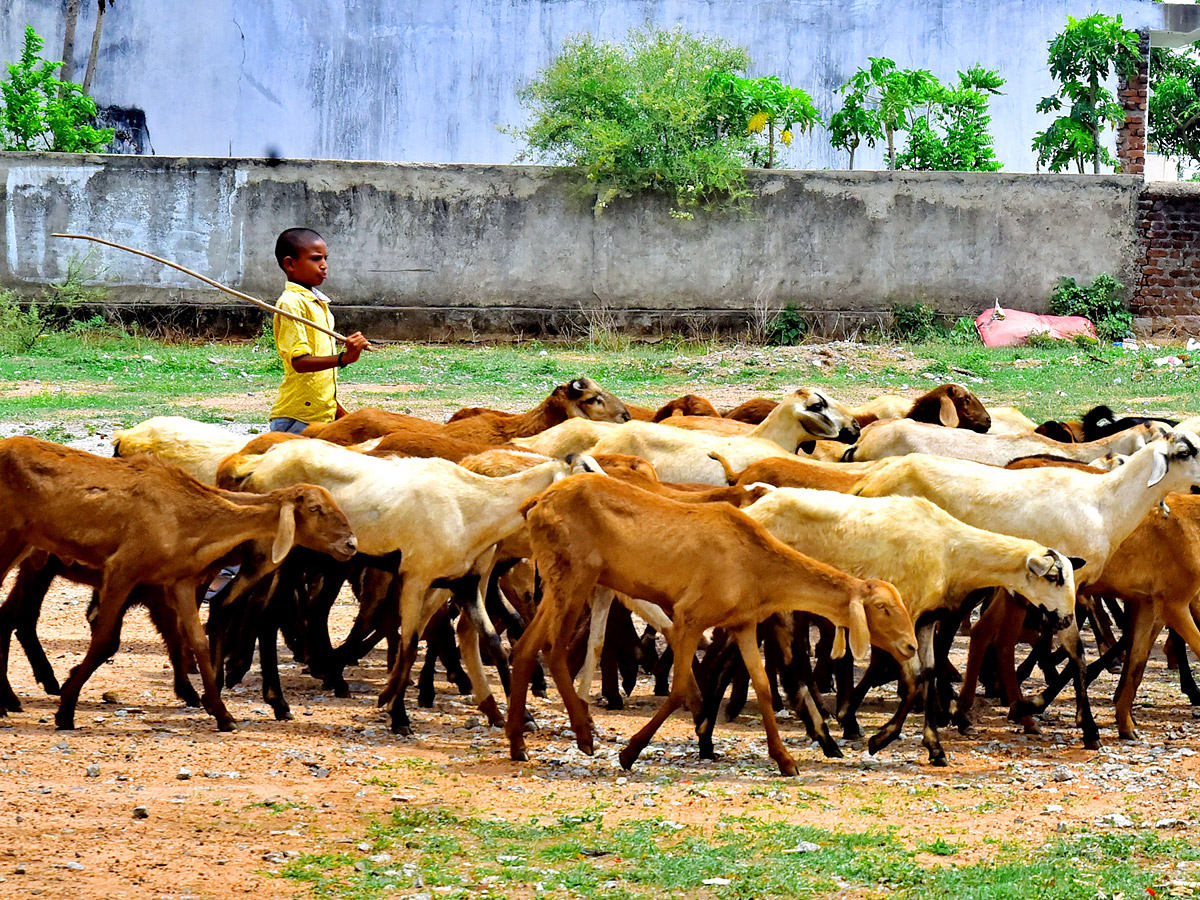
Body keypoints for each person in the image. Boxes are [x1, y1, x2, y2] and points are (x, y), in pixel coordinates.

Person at [269, 227, 370, 434]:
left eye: (325, 258)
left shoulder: (318, 302)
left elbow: (321, 375)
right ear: (290, 264)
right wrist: (343, 358)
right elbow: (300, 362)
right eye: (315, 259)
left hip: (320, 412)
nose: (324, 265)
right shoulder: (291, 304)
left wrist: (336, 409)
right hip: (298, 418)